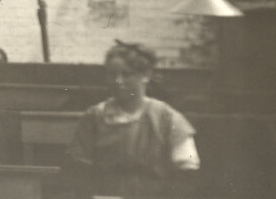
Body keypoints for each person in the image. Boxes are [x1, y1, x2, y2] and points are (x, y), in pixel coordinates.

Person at [68, 41, 199, 184]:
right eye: (112, 75)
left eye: (127, 75)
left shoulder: (167, 118)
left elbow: (187, 169)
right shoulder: (94, 116)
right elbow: (80, 166)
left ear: (146, 75)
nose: (118, 81)